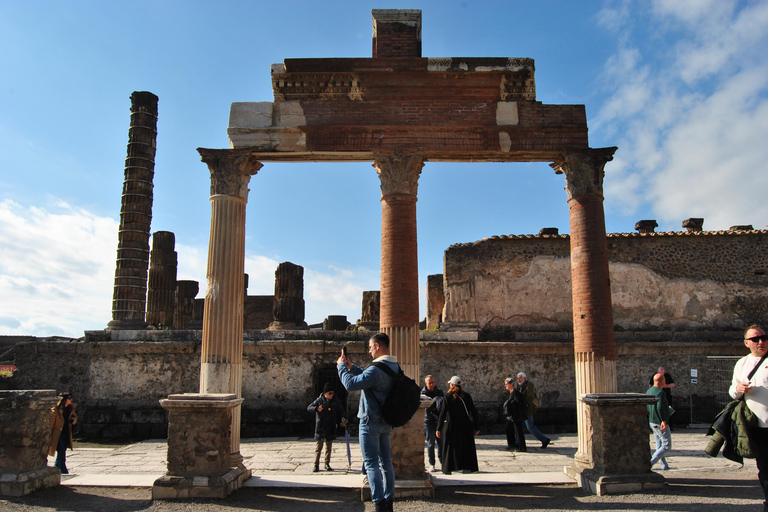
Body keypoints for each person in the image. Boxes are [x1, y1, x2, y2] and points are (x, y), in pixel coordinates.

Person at [337, 333, 397, 512]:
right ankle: (389, 502)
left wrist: (341, 368)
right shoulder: (393, 366)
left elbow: (350, 385)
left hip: (369, 421)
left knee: (371, 463)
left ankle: (379, 504)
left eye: (370, 347)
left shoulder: (376, 368)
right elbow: (371, 380)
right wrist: (352, 367)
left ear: (378, 346)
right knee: (386, 462)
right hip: (385, 422)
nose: (369, 351)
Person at [729, 324, 768, 511]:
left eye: (764, 338)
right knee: (765, 468)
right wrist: (737, 389)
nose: (761, 342)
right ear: (746, 343)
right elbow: (732, 390)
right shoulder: (742, 364)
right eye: (755, 339)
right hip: (757, 426)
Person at [436, 376, 479, 474]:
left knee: (450, 447)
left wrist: (438, 427)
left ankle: (448, 469)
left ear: (451, 385)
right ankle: (467, 468)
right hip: (465, 426)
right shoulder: (467, 396)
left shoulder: (448, 396)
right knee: (465, 446)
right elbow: (474, 412)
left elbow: (443, 413)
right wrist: (476, 426)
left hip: (452, 426)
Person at [307, 382, 345, 472]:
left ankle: (327, 463)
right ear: (325, 394)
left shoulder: (335, 400)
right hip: (321, 426)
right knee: (318, 447)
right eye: (329, 393)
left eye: (332, 393)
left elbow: (341, 410)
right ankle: (316, 464)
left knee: (329, 447)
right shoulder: (319, 400)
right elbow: (309, 407)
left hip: (330, 425)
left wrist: (344, 417)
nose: (331, 395)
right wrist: (317, 409)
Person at [516, 372, 551, 448]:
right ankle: (517, 442)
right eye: (518, 378)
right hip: (521, 409)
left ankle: (544, 440)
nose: (519, 380)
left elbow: (530, 398)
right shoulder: (519, 386)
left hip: (527, 409)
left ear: (524, 378)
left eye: (520, 378)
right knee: (519, 426)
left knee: (530, 426)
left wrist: (521, 400)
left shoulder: (529, 386)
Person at [647, 372, 671, 470]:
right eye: (664, 381)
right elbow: (660, 407)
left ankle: (664, 465)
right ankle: (650, 463)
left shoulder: (649, 391)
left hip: (652, 421)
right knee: (666, 445)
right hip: (659, 421)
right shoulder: (660, 393)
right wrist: (663, 420)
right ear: (661, 381)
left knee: (659, 444)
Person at [49, 392, 77, 474]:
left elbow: (74, 416)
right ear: (64, 399)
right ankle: (64, 472)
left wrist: (74, 419)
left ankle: (55, 470)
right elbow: (51, 423)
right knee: (61, 453)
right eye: (69, 398)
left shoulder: (69, 409)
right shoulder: (56, 410)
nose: (71, 400)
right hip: (57, 435)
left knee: (60, 454)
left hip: (65, 434)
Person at [421, 374, 444, 471]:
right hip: (429, 421)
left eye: (433, 382)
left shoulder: (439, 392)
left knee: (441, 443)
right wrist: (434, 405)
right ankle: (432, 463)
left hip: (439, 420)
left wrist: (433, 405)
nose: (431, 384)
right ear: (426, 383)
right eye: (429, 383)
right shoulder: (423, 393)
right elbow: (427, 407)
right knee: (430, 443)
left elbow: (442, 404)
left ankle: (443, 462)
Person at [503, 377, 527, 452]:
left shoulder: (515, 393)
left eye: (506, 384)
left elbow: (518, 402)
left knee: (518, 431)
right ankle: (511, 444)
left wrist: (510, 403)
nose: (505, 385)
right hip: (512, 416)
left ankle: (522, 447)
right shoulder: (512, 392)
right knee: (508, 428)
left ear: (511, 384)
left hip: (517, 415)